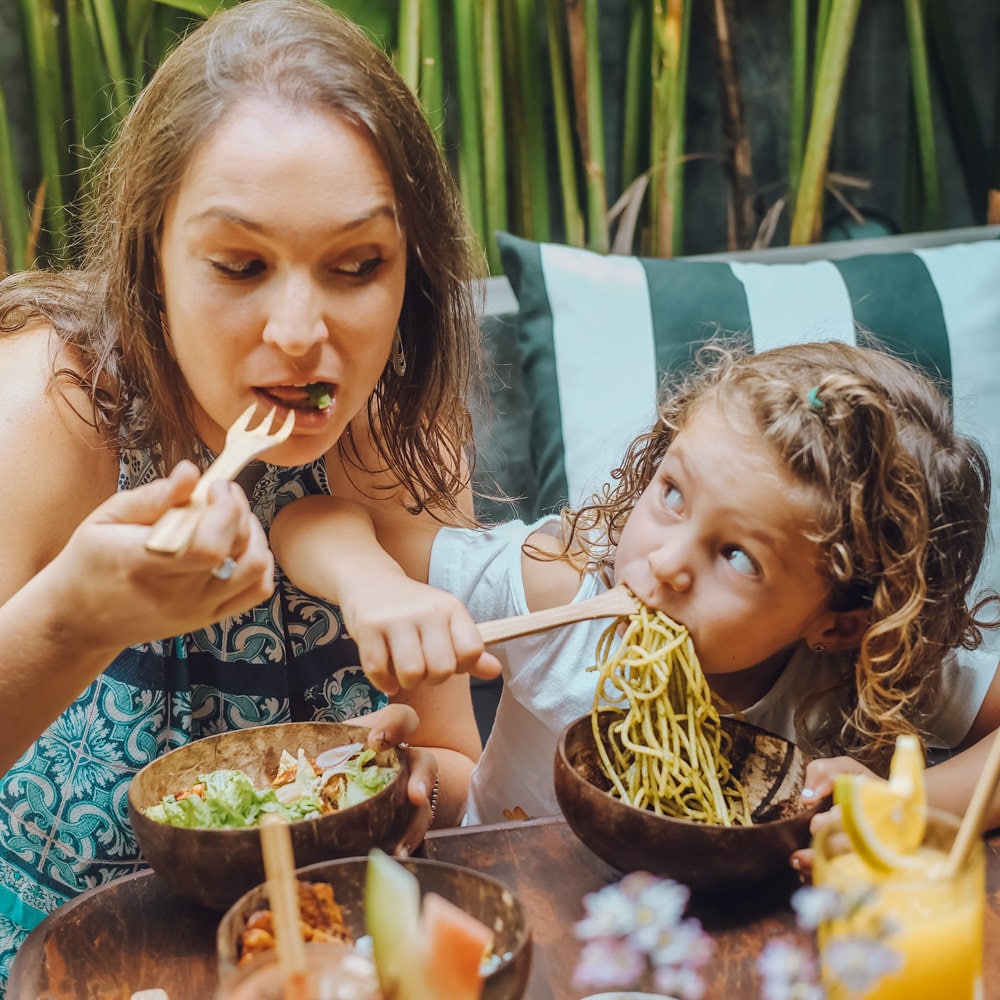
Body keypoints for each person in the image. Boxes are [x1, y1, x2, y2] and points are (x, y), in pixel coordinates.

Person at [0, 0, 497, 988]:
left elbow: (457, 768)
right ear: (152, 259)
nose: (301, 330)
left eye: (357, 266)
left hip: (323, 961)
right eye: (241, 265)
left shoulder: (400, 430)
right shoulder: (53, 407)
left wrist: (403, 782)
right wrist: (70, 622)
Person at [271, 339, 1000, 834]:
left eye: (739, 557)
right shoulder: (556, 586)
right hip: (520, 913)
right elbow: (306, 522)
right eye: (674, 494)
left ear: (837, 622)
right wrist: (374, 586)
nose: (669, 562)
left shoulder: (862, 668)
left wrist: (902, 801)